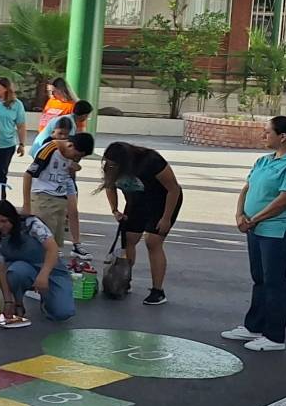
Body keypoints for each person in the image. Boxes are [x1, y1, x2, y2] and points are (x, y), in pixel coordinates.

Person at [227, 116, 286, 353]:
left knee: (274, 280)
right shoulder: (264, 160)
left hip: (277, 231)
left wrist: (254, 220)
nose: (263, 136)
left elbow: (284, 200)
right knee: (260, 278)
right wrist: (239, 215)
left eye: (267, 132)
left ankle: (274, 336)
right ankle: (254, 326)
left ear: (282, 136)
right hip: (255, 229)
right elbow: (247, 187)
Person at [99, 141, 181, 306]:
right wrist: (115, 210)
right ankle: (125, 279)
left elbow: (173, 188)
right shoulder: (111, 167)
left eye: (115, 165)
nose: (111, 167)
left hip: (162, 202)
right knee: (129, 239)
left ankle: (158, 291)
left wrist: (166, 217)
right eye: (108, 164)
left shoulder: (151, 160)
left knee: (153, 242)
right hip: (136, 202)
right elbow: (109, 186)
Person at [0, 199, 74, 324]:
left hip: (51, 269)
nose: (0, 226)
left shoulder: (32, 224)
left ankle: (47, 300)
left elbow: (52, 249)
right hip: (22, 269)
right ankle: (18, 302)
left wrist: (44, 274)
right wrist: (8, 301)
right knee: (14, 273)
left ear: (12, 218)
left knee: (62, 312)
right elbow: (0, 269)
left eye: (4, 221)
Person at [23, 131, 94, 247]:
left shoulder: (73, 154)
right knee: (45, 241)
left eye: (80, 157)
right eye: (76, 156)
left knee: (56, 243)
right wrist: (26, 205)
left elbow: (69, 176)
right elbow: (28, 175)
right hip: (43, 198)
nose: (76, 159)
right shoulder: (50, 150)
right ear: (70, 145)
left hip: (61, 198)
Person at [0, 77, 27, 200]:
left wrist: (22, 144)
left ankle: (0, 201)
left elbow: (21, 125)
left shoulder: (16, 104)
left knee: (0, 174)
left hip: (6, 144)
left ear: (6, 89)